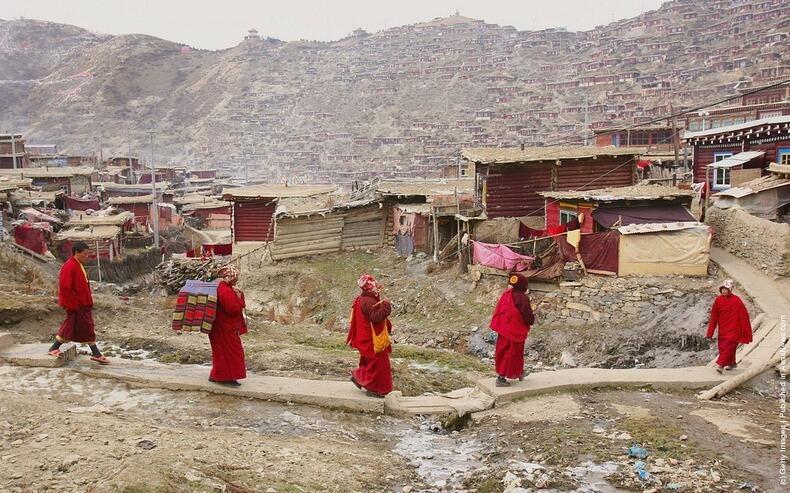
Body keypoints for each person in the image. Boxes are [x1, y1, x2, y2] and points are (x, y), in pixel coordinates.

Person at [48, 241, 109, 364]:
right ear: (77, 252)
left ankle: (95, 353)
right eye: (85, 254)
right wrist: (73, 304)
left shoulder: (78, 264)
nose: (87, 256)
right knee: (80, 327)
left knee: (80, 327)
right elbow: (65, 287)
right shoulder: (69, 266)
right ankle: (54, 348)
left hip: (82, 304)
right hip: (76, 304)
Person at [347, 274, 393, 397]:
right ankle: (371, 387)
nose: (376, 286)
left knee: (371, 364)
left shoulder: (361, 299)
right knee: (379, 365)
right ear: (369, 287)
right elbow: (375, 318)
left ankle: (363, 380)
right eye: (373, 284)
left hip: (364, 338)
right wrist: (386, 306)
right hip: (372, 340)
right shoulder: (369, 301)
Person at [490, 273, 535, 387]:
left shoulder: (506, 295)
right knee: (512, 353)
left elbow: (500, 310)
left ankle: (519, 372)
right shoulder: (522, 297)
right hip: (515, 330)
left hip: (504, 329)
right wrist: (531, 320)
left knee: (504, 351)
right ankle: (501, 378)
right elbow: (527, 315)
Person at [208, 265, 248, 387]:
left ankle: (216, 375)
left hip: (218, 327)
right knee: (231, 353)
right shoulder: (225, 290)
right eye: (235, 278)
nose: (236, 280)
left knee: (220, 352)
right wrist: (240, 299)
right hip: (225, 328)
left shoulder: (222, 287)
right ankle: (226, 378)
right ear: (229, 277)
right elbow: (233, 309)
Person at [706, 279, 752, 374]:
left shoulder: (737, 300)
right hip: (723, 329)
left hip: (735, 329)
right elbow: (714, 317)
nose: (724, 291)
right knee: (724, 347)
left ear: (730, 290)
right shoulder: (718, 300)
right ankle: (732, 363)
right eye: (722, 288)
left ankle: (720, 366)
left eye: (726, 289)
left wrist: (745, 330)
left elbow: (744, 316)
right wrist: (709, 333)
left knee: (728, 346)